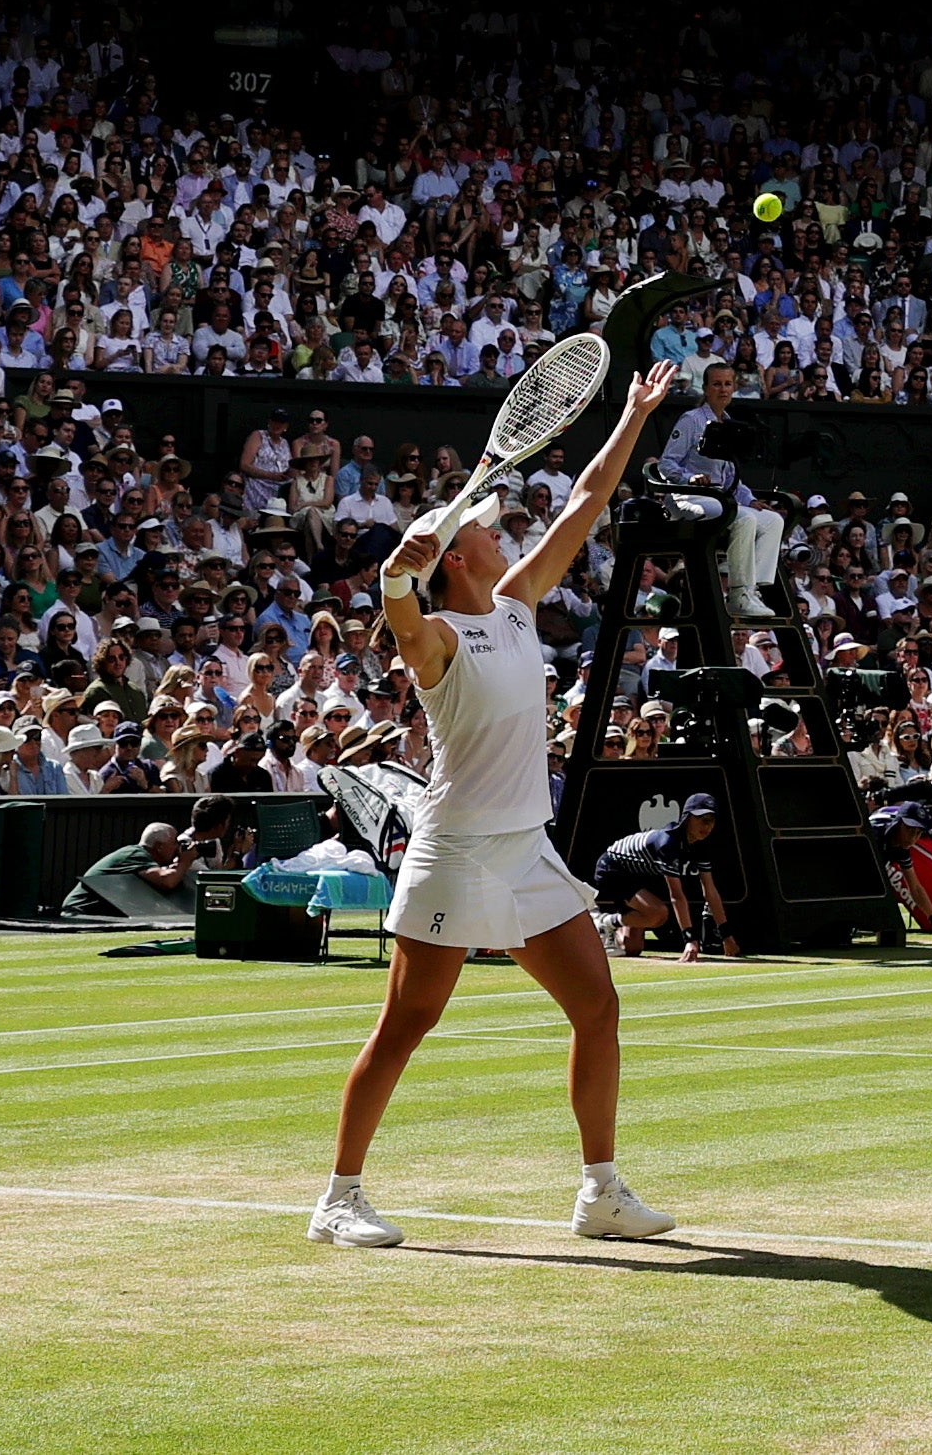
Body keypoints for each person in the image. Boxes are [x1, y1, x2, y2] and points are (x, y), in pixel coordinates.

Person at [314, 361, 685, 1256]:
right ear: (454, 559)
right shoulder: (436, 634)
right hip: (457, 850)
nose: (497, 529)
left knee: (597, 1006)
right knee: (407, 1023)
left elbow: (584, 502)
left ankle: (599, 1191)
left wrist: (631, 416)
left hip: (527, 849)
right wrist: (394, 583)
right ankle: (337, 1196)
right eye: (481, 528)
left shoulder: (516, 606)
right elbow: (401, 624)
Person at [590, 796, 732, 959]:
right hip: (612, 870)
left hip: (638, 875)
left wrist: (726, 936)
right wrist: (690, 940)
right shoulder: (667, 843)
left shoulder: (701, 846)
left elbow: (710, 892)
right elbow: (676, 896)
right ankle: (604, 922)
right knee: (658, 914)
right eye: (702, 819)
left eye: (711, 821)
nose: (707, 826)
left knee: (632, 949)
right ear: (687, 818)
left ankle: (608, 923)